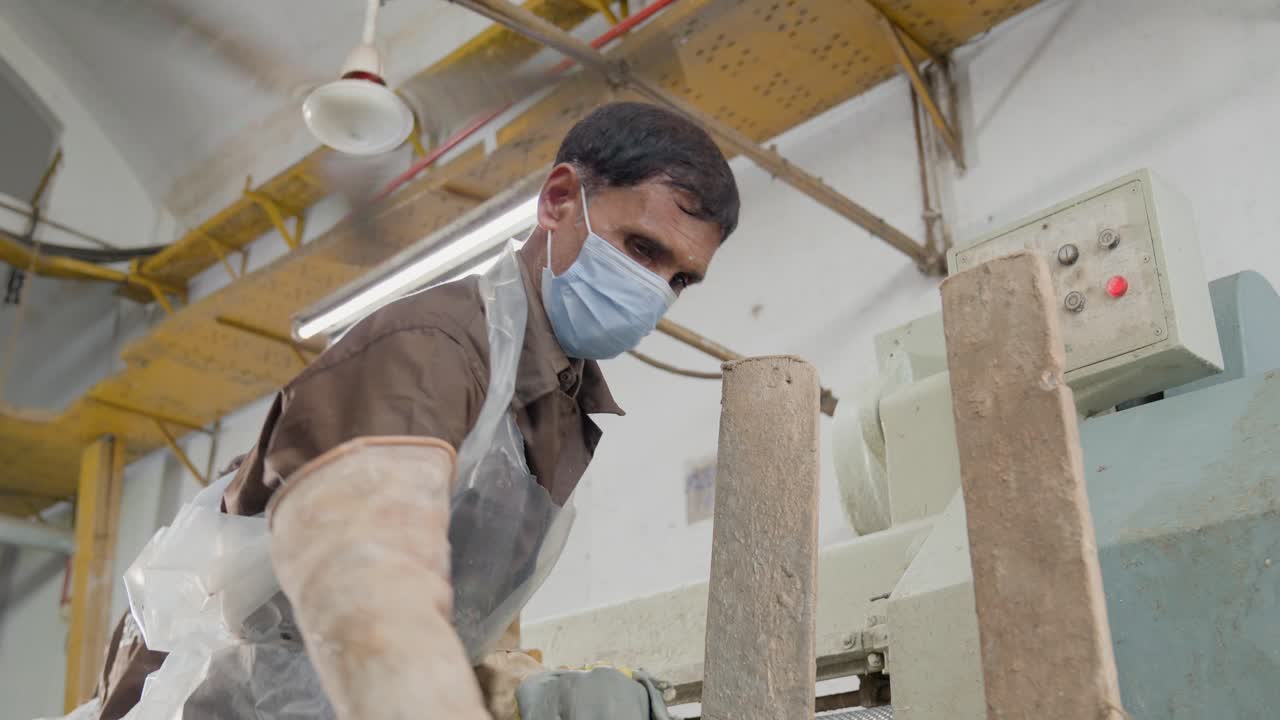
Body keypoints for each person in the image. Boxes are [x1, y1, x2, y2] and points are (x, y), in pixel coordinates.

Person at [92, 101, 740, 719]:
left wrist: (523, 691)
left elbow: (461, 620)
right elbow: (372, 607)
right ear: (559, 200)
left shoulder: (558, 405)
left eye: (680, 279)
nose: (655, 293)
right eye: (642, 249)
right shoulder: (435, 353)